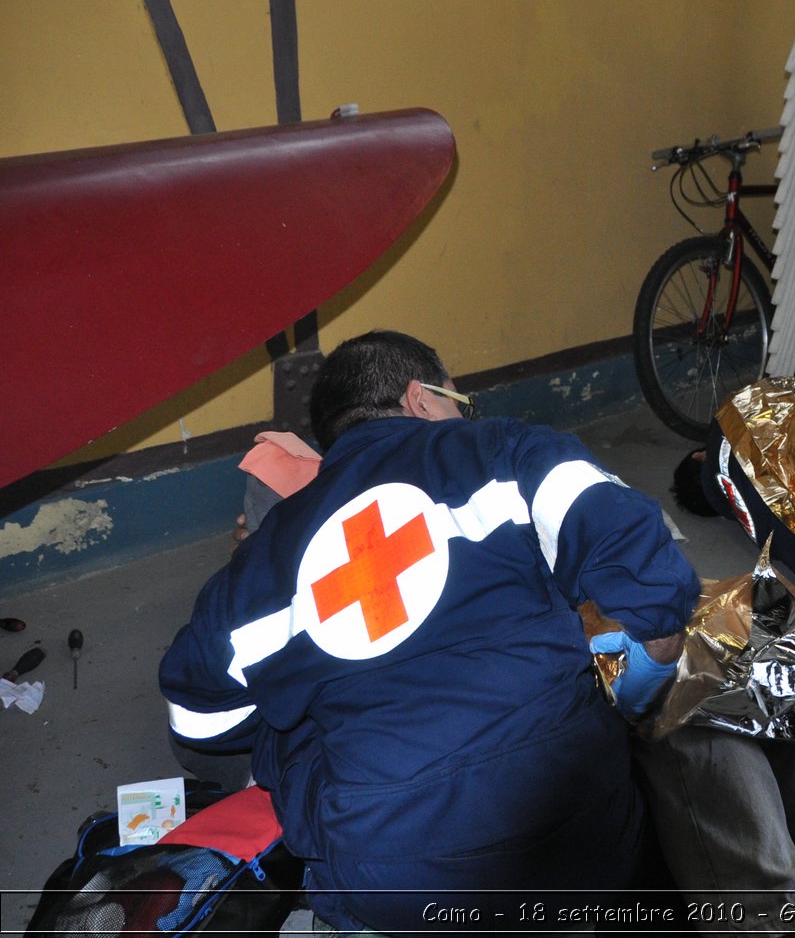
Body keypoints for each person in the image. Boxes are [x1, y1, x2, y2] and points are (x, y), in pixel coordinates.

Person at [159, 331, 700, 934]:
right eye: (458, 401)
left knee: (286, 713)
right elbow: (654, 594)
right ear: (420, 399)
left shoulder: (262, 559)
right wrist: (629, 694)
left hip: (390, 882)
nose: (465, 417)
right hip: (578, 844)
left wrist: (303, 719)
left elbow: (195, 722)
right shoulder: (509, 451)